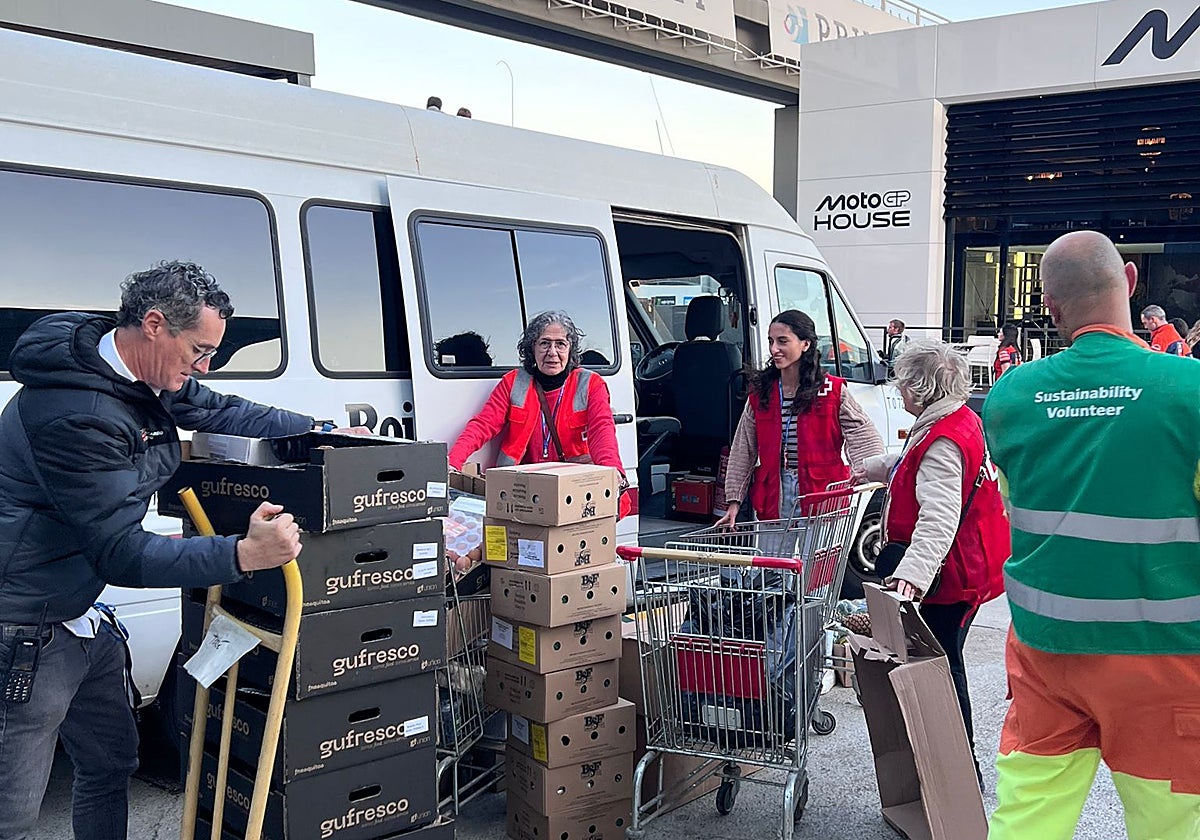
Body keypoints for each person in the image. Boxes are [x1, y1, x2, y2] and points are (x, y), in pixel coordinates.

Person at [0, 261, 339, 840]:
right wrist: (241, 555)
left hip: (81, 615)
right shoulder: (77, 415)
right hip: (27, 625)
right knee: (13, 814)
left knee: (110, 764)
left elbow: (221, 409)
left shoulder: (141, 375)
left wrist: (322, 429)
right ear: (154, 324)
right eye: (200, 351)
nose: (203, 367)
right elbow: (122, 554)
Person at [984, 231, 1200, 840]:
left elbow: (1017, 505)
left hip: (1045, 653)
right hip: (1166, 658)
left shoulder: (1010, 398)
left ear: (1049, 305)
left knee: (1027, 818)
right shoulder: (1190, 392)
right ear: (1130, 280)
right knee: (1172, 824)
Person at [856, 339, 1010, 785]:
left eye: (903, 383)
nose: (899, 391)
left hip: (952, 574)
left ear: (920, 389)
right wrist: (872, 468)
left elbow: (939, 517)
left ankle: (959, 768)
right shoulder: (957, 420)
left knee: (943, 668)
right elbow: (912, 465)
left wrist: (911, 575)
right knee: (945, 662)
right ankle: (954, 767)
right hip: (968, 565)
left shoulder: (942, 438)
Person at [447, 310, 630, 514]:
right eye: (544, 343)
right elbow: (483, 425)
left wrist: (614, 472)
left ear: (571, 350)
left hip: (573, 490)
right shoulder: (513, 382)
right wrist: (452, 463)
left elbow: (602, 431)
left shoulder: (590, 384)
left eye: (560, 344)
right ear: (532, 348)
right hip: (523, 490)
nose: (552, 352)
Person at [719, 310, 883, 527]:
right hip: (774, 494)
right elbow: (743, 448)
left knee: (817, 561)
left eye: (782, 341)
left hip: (823, 494)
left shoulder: (831, 391)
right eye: (771, 341)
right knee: (773, 561)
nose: (773, 349)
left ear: (805, 344)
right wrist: (733, 501)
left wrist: (868, 472)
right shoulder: (761, 394)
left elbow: (863, 435)